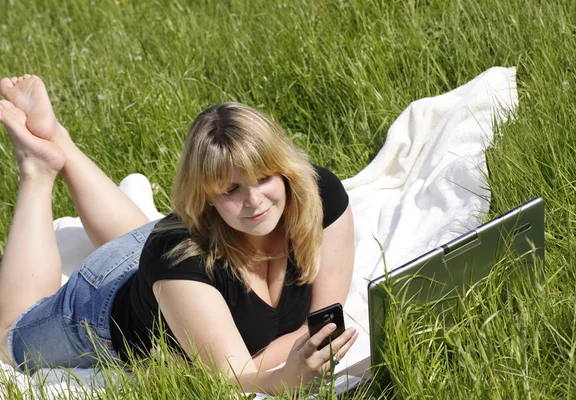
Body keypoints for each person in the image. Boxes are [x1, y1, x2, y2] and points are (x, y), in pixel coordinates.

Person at [0, 75, 357, 394]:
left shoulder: (318, 195)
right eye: (230, 189)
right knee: (9, 336)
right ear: (206, 199)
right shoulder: (180, 260)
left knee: (148, 244)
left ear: (285, 171)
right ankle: (37, 167)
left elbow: (326, 321)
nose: (254, 201)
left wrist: (286, 347)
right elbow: (232, 378)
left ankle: (59, 140)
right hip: (99, 306)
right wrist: (287, 375)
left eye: (264, 177)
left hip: (160, 263)